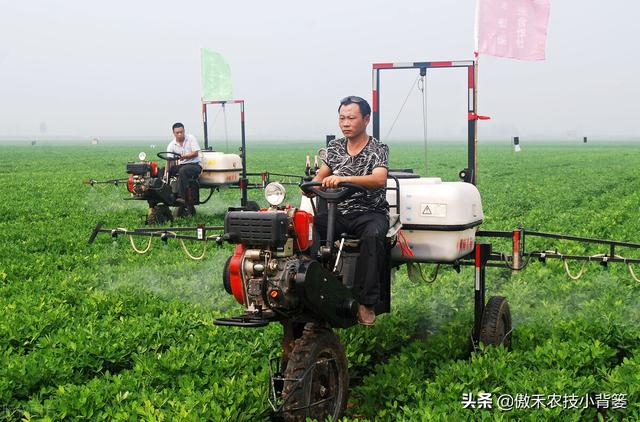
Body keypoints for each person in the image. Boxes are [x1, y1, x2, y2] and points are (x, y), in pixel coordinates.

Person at [311, 96, 389, 326]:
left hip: (370, 212)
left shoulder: (378, 148)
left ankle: (366, 303)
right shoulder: (334, 147)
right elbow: (323, 173)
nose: (345, 123)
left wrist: (344, 179)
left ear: (366, 119)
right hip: (340, 212)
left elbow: (379, 179)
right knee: (311, 227)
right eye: (342, 118)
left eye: (351, 118)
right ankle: (313, 287)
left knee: (373, 236)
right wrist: (313, 185)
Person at [166, 122, 202, 203]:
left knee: (183, 170)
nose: (179, 134)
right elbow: (169, 160)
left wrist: (184, 157)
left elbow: (195, 153)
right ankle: (168, 193)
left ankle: (182, 196)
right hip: (182, 165)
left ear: (184, 131)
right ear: (173, 133)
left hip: (195, 165)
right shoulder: (171, 145)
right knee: (167, 170)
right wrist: (166, 172)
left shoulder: (191, 138)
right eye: (177, 133)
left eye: (181, 132)